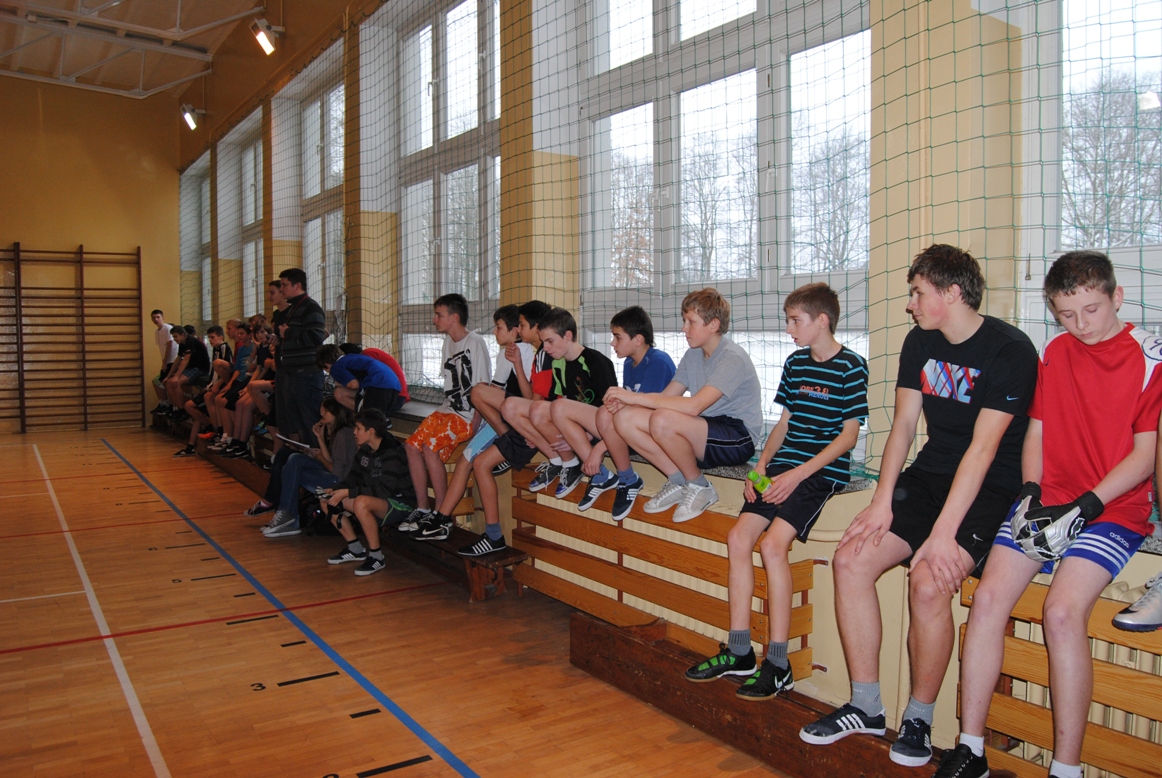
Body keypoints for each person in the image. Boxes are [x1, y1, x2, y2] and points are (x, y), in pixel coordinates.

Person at [798, 244, 1038, 770]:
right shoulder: (920, 340)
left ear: (952, 293)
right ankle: (866, 706)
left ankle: (920, 718)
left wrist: (942, 534)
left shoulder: (1011, 350)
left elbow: (983, 450)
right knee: (850, 559)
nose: (910, 303)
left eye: (918, 293)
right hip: (929, 477)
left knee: (928, 581)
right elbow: (904, 425)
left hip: (990, 486)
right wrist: (882, 502)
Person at [934, 251, 1162, 778]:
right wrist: (1031, 491)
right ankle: (970, 748)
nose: (1080, 324)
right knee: (987, 599)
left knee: (1061, 613)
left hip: (1113, 509)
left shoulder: (1150, 356)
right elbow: (1037, 430)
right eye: (1066, 314)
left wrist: (1088, 505)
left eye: (1091, 310)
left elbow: (1146, 454)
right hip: (1050, 500)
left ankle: (1066, 769)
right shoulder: (1056, 351)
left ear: (1117, 297)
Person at [683, 284, 868, 700]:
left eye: (795, 320)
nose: (789, 329)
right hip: (782, 468)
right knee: (738, 538)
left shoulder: (852, 366)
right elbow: (784, 422)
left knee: (772, 546)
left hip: (819, 473)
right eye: (788, 320)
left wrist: (798, 475)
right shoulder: (796, 363)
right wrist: (761, 466)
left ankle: (778, 664)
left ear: (822, 320)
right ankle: (739, 651)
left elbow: (849, 436)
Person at [454, 307, 617, 556]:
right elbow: (554, 405)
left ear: (568, 335)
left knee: (481, 459)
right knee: (514, 407)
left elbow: (609, 413)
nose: (546, 347)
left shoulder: (596, 362)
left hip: (596, 430)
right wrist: (533, 430)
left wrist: (589, 439)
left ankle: (579, 466)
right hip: (567, 427)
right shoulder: (558, 363)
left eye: (550, 341)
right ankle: (561, 462)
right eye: (544, 342)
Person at [601, 288, 763, 523]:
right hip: (705, 427)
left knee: (662, 419)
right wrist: (625, 405)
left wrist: (633, 397)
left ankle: (699, 485)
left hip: (738, 437)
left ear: (713, 325)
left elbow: (694, 406)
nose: (683, 328)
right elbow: (666, 397)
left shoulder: (732, 358)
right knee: (625, 419)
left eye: (691, 322)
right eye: (684, 321)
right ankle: (678, 480)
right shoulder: (693, 354)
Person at [409, 303, 537, 542]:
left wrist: (483, 421)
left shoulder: (514, 352)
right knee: (468, 460)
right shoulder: (523, 351)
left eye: (499, 327)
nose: (495, 332)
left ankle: (444, 519)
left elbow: (496, 393)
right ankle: (443, 518)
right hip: (507, 418)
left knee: (468, 458)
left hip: (509, 421)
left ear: (515, 331)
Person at [554, 305, 676, 515]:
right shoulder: (630, 363)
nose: (612, 343)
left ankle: (627, 479)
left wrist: (598, 449)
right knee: (559, 407)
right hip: (625, 428)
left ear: (638, 339)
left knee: (605, 412)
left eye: (617, 337)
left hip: (648, 434)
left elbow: (645, 417)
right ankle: (600, 475)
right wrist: (585, 434)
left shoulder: (658, 363)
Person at [402, 293, 491, 528]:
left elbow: (483, 387)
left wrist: (476, 422)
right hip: (448, 410)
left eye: (438, 315)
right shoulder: (447, 343)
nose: (434, 320)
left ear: (454, 317)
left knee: (430, 447)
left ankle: (441, 513)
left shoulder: (475, 342)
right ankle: (423, 507)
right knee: (411, 446)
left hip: (467, 415)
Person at [322, 409, 416, 576]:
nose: (354, 432)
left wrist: (348, 492)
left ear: (371, 431)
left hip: (400, 503)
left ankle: (376, 557)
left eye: (358, 428)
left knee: (361, 502)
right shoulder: (365, 450)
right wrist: (336, 490)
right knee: (326, 500)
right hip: (378, 500)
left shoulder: (392, 451)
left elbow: (383, 490)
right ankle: (355, 548)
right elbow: (353, 478)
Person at [258, 397, 358, 537]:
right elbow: (331, 460)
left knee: (293, 465)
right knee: (292, 460)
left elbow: (337, 472)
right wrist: (319, 438)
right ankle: (287, 516)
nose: (321, 413)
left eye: (325, 410)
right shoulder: (337, 432)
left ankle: (287, 515)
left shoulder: (344, 434)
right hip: (335, 476)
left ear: (336, 412)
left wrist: (318, 457)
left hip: (340, 482)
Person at [275, 268, 328, 447]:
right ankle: (305, 456)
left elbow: (316, 337)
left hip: (306, 374)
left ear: (297, 286)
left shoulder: (310, 307)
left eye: (284, 285)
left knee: (309, 421)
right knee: (298, 423)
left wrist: (289, 333)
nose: (281, 289)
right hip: (293, 373)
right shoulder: (294, 308)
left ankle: (316, 458)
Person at [315, 343, 402, 416]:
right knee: (377, 415)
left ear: (326, 365)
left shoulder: (335, 367)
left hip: (378, 384)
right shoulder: (351, 358)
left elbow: (353, 384)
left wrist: (337, 383)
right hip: (394, 385)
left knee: (370, 418)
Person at [341, 343, 410, 409]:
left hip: (395, 397)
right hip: (396, 395)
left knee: (342, 393)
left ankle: (366, 413)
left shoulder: (366, 354)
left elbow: (358, 383)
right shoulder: (369, 353)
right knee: (342, 393)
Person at [163, 325, 211, 416]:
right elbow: (178, 360)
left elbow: (186, 360)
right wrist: (168, 376)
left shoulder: (190, 341)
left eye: (176, 336)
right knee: (169, 383)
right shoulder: (182, 343)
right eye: (173, 337)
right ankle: (177, 408)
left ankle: (182, 411)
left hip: (200, 368)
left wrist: (176, 376)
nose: (174, 339)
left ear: (183, 335)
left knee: (176, 383)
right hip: (191, 368)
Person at [151, 309, 178, 412]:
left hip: (173, 361)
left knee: (169, 383)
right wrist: (163, 362)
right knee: (158, 381)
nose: (156, 319)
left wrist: (165, 362)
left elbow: (170, 345)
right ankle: (165, 403)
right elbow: (162, 349)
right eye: (154, 318)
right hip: (167, 361)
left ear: (163, 318)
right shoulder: (157, 332)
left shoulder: (167, 328)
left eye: (158, 317)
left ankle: (175, 407)